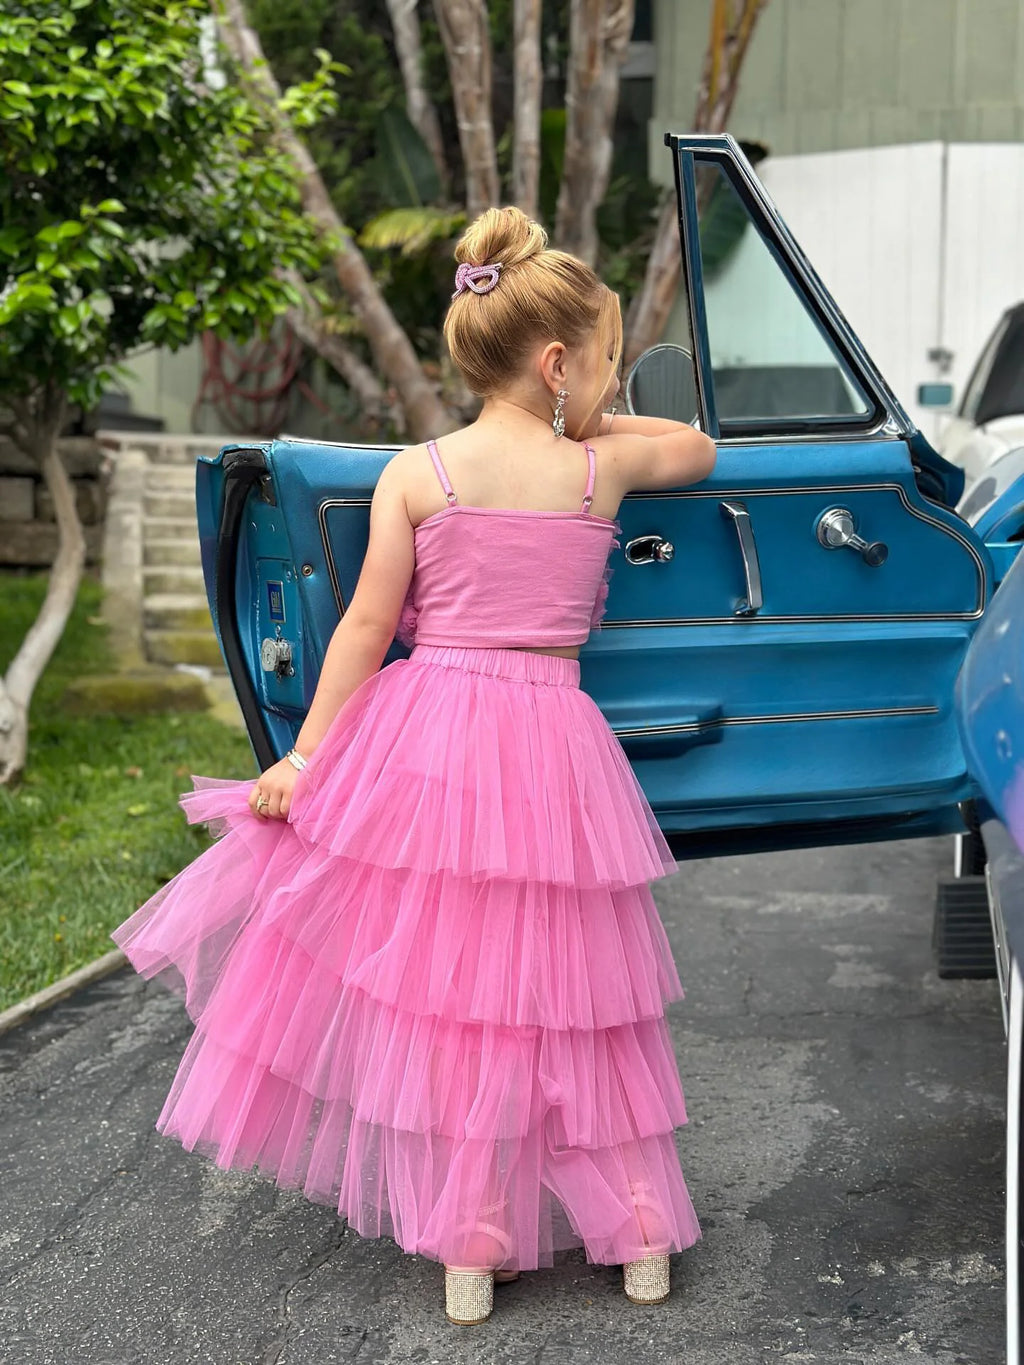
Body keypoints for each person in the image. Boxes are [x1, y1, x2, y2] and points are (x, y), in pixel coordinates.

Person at [112, 206, 716, 1327]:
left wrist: (304, 756)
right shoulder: (600, 469)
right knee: (580, 994)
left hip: (432, 737)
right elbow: (698, 447)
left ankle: (471, 1241)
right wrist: (595, 411)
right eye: (602, 359)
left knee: (453, 998)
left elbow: (362, 630)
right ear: (556, 365)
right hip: (553, 738)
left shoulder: (418, 473)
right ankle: (638, 1231)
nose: (607, 382)